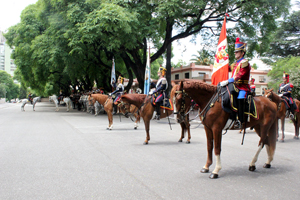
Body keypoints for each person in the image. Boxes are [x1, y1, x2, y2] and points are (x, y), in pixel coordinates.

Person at [220, 37, 251, 128]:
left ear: (242, 53)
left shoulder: (245, 63)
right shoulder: (235, 64)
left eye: (237, 52)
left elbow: (239, 76)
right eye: (235, 52)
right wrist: (222, 63)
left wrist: (228, 81)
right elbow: (228, 68)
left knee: (240, 97)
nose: (235, 53)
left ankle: (240, 120)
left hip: (242, 87)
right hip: (234, 85)